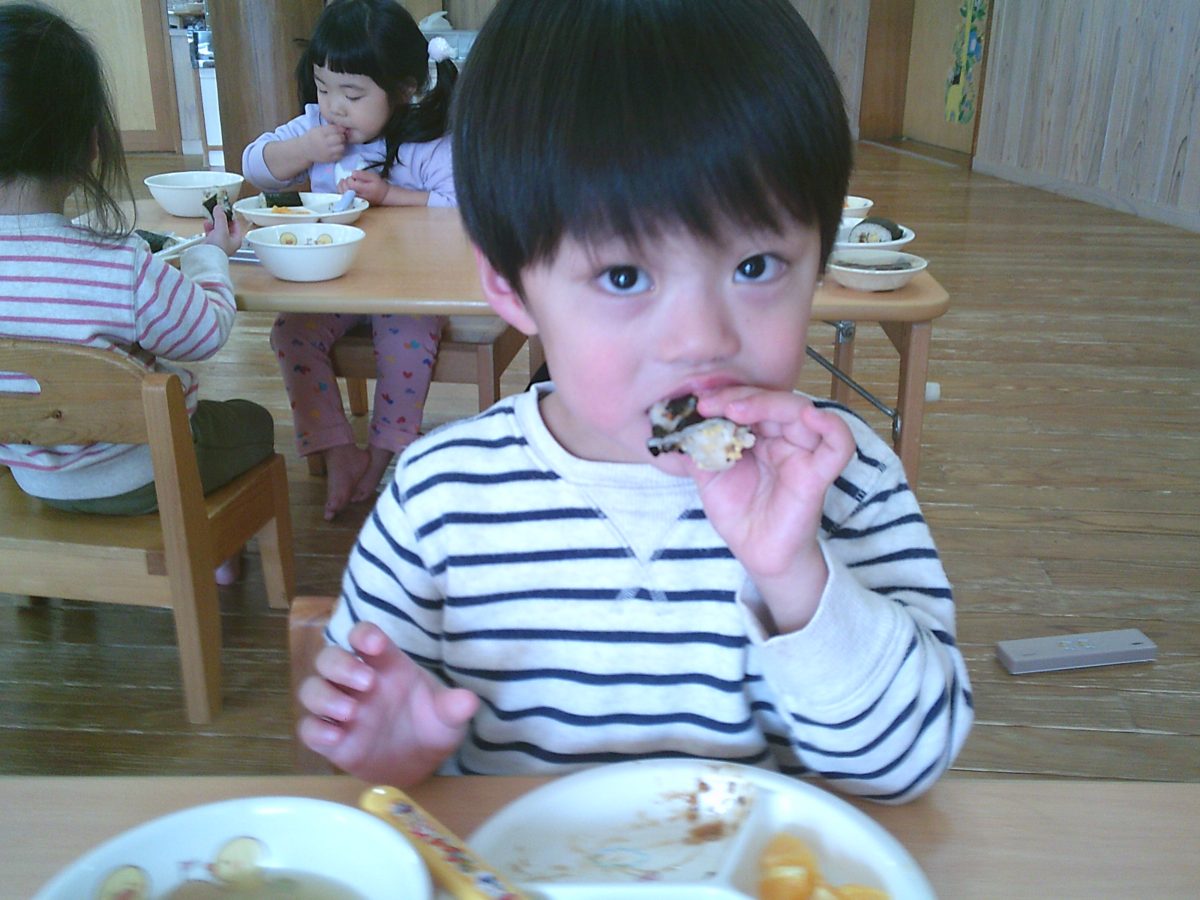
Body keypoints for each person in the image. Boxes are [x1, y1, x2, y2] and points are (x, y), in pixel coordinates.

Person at [298, 0, 974, 803]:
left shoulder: (843, 479)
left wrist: (794, 573)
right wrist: (399, 751)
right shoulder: (440, 497)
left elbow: (905, 768)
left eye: (756, 266)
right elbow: (368, 750)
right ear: (510, 286)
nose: (700, 339)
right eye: (624, 276)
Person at [0, 3, 272, 586]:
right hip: (139, 476)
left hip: (31, 475)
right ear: (91, 144)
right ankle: (213, 543)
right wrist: (209, 256)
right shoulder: (118, 264)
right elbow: (204, 333)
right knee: (252, 422)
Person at [242, 0, 459, 521]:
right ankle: (338, 449)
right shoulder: (315, 127)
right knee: (290, 334)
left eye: (353, 94)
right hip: (333, 283)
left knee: (406, 344)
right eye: (323, 88)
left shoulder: (423, 141)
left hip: (408, 289)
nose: (334, 107)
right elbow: (255, 166)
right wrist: (304, 151)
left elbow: (463, 205)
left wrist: (390, 195)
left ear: (404, 89)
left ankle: (384, 451)